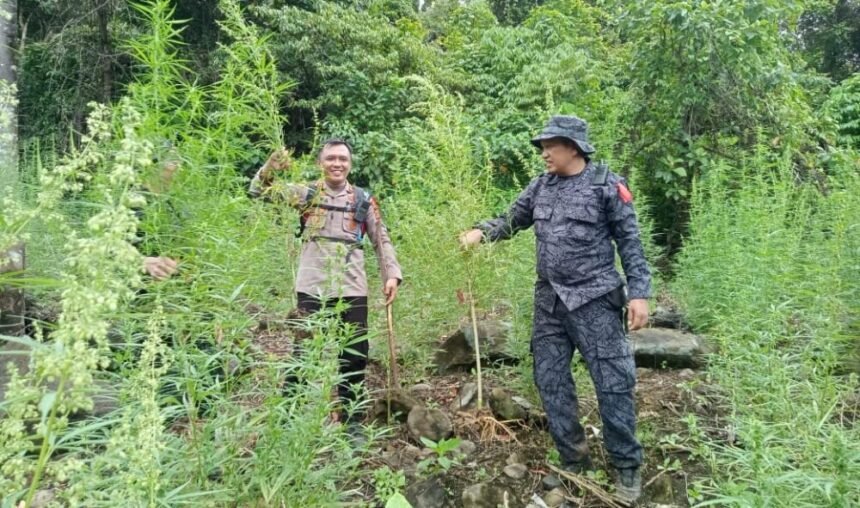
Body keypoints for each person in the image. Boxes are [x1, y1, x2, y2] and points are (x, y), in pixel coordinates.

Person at [459, 116, 651, 503]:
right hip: (550, 303)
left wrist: (640, 294)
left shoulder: (606, 186)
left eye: (550, 145)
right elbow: (511, 220)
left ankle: (627, 466)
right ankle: (573, 460)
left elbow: (630, 241)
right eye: (541, 146)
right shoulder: (540, 187)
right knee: (550, 380)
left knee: (613, 383)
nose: (543, 153)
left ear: (574, 147)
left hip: (595, 300)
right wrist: (481, 232)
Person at [249, 139, 402, 427]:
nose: (337, 164)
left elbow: (381, 239)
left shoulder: (363, 199)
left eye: (342, 159)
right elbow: (258, 191)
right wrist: (270, 166)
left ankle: (352, 421)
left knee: (355, 355)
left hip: (352, 286)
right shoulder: (304, 193)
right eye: (331, 158)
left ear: (350, 164)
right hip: (312, 284)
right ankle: (287, 418)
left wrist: (391, 274)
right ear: (321, 163)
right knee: (304, 353)